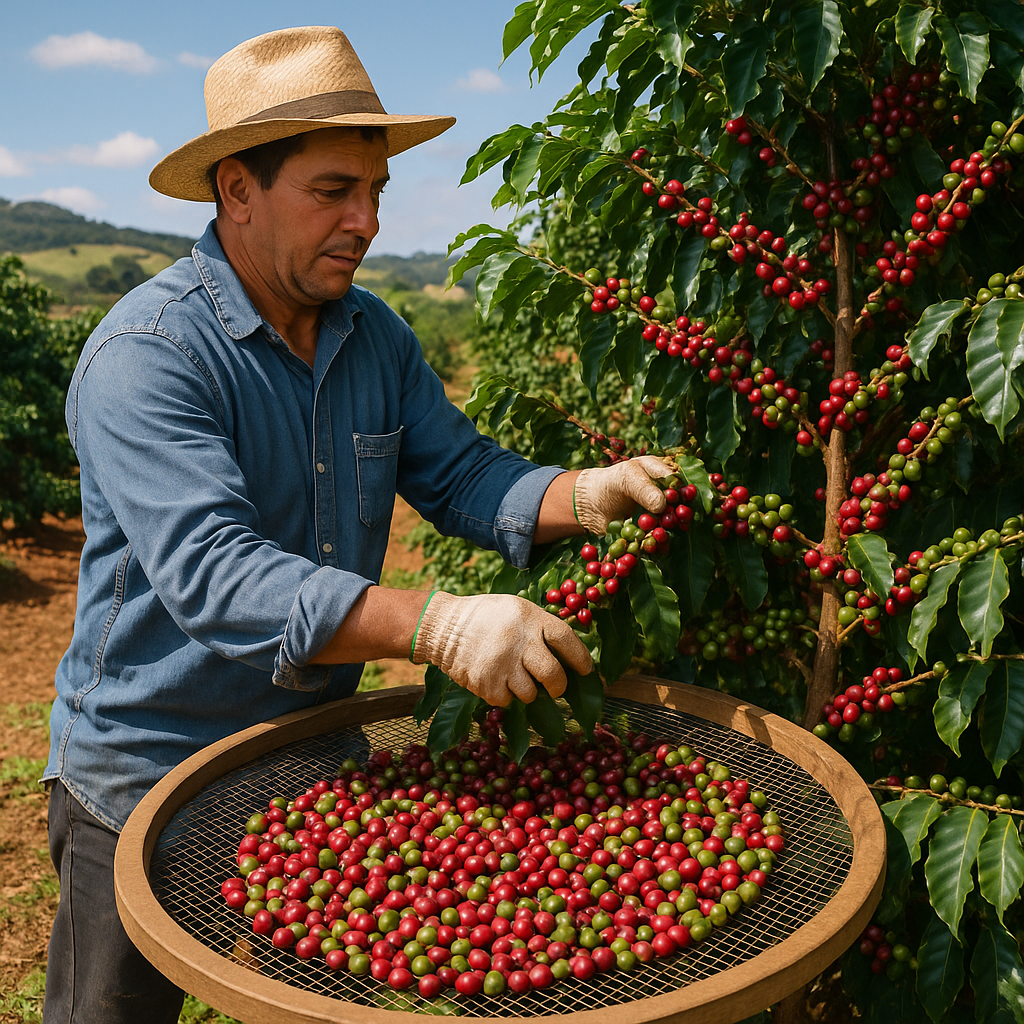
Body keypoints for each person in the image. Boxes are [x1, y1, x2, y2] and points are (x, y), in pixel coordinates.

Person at [41, 26, 673, 1023]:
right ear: (237, 190)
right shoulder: (149, 355)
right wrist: (438, 624)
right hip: (147, 777)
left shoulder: (374, 335)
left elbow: (463, 474)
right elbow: (216, 575)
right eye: (333, 190)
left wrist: (585, 492)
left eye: (375, 191)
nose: (366, 220)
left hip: (310, 762)